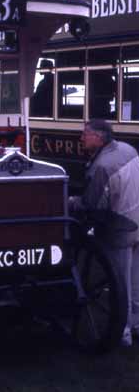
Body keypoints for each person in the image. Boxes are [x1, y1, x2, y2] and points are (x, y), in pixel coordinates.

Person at [69, 119, 139, 346]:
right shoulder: (128, 149)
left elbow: (92, 205)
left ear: (98, 137)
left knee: (121, 283)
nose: (81, 139)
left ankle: (122, 332)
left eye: (85, 134)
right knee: (135, 279)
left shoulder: (101, 167)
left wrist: (69, 202)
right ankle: (135, 322)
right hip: (136, 219)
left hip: (119, 228)